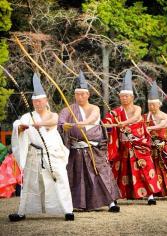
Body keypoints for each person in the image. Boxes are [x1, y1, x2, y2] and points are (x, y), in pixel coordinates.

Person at [9, 73, 74, 222]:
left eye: (40, 101)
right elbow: (18, 127)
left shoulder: (53, 114)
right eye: (35, 102)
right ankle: (21, 212)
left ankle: (68, 211)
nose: (38, 104)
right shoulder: (27, 116)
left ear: (46, 100)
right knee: (29, 184)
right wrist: (21, 128)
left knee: (60, 180)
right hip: (34, 155)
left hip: (52, 154)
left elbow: (53, 122)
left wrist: (39, 124)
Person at [58, 70, 120, 212]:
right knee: (77, 178)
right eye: (77, 94)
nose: (80, 97)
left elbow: (93, 117)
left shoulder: (95, 108)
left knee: (102, 175)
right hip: (76, 150)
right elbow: (61, 120)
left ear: (88, 94)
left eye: (82, 94)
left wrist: (84, 122)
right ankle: (74, 205)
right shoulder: (69, 109)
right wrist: (64, 125)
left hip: (94, 149)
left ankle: (111, 203)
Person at [103, 70, 161, 205]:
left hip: (139, 144)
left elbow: (136, 117)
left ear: (132, 97)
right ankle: (116, 196)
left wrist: (124, 123)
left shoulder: (137, 108)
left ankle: (150, 195)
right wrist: (108, 124)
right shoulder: (116, 112)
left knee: (144, 167)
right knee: (120, 170)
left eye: (127, 96)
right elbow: (106, 123)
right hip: (123, 146)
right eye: (122, 96)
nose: (124, 99)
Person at [143, 81, 167, 200]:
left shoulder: (165, 116)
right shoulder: (145, 117)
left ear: (159, 105)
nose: (151, 107)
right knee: (153, 170)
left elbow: (162, 125)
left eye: (153, 105)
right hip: (152, 148)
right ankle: (153, 193)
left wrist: (148, 127)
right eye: (150, 105)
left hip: (165, 147)